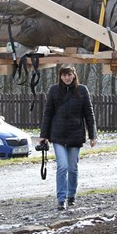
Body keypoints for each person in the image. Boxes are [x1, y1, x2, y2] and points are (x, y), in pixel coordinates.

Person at [39, 65, 97, 211]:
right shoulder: (54, 90)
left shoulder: (82, 91)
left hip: (75, 135)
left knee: (72, 168)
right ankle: (61, 199)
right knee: (62, 166)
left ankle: (71, 195)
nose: (67, 78)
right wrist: (43, 135)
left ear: (74, 75)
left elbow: (89, 114)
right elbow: (48, 113)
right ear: (60, 76)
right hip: (57, 135)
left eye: (69, 75)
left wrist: (92, 135)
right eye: (64, 75)